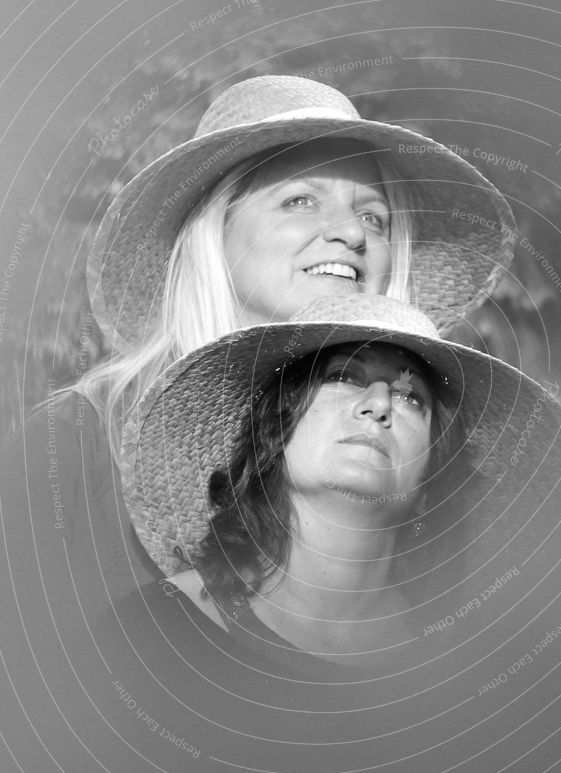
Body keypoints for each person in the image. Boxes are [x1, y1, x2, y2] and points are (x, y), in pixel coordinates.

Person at [0, 294, 561, 773]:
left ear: (432, 478)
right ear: (275, 431)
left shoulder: (486, 680)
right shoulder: (143, 645)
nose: (379, 404)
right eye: (347, 377)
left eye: (412, 399)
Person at [0, 74, 517, 605]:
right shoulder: (76, 441)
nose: (354, 234)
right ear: (213, 230)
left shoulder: (405, 453)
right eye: (300, 201)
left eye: (372, 216)